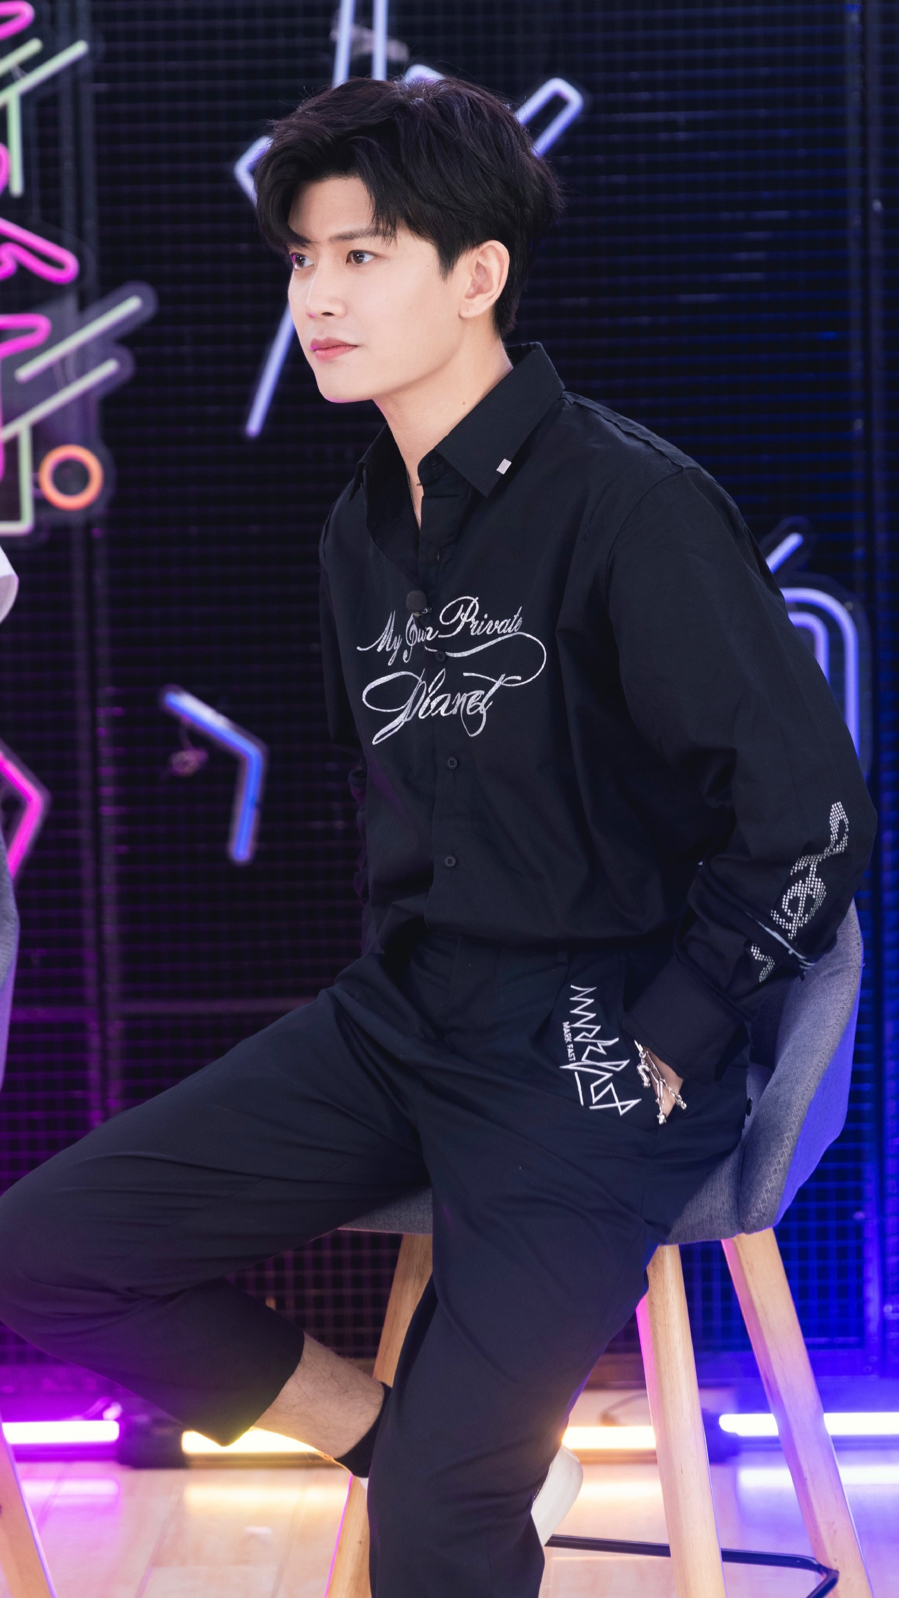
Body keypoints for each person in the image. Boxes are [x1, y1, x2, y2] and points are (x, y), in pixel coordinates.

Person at [0, 75, 876, 1597]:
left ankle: (437, 1474)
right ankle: (394, 1437)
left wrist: (671, 1030)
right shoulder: (362, 528)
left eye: (363, 255)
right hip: (404, 1017)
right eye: (302, 259)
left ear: (478, 276)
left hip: (596, 1047)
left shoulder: (630, 503)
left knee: (439, 1530)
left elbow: (815, 814)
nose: (318, 298)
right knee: (38, 1253)